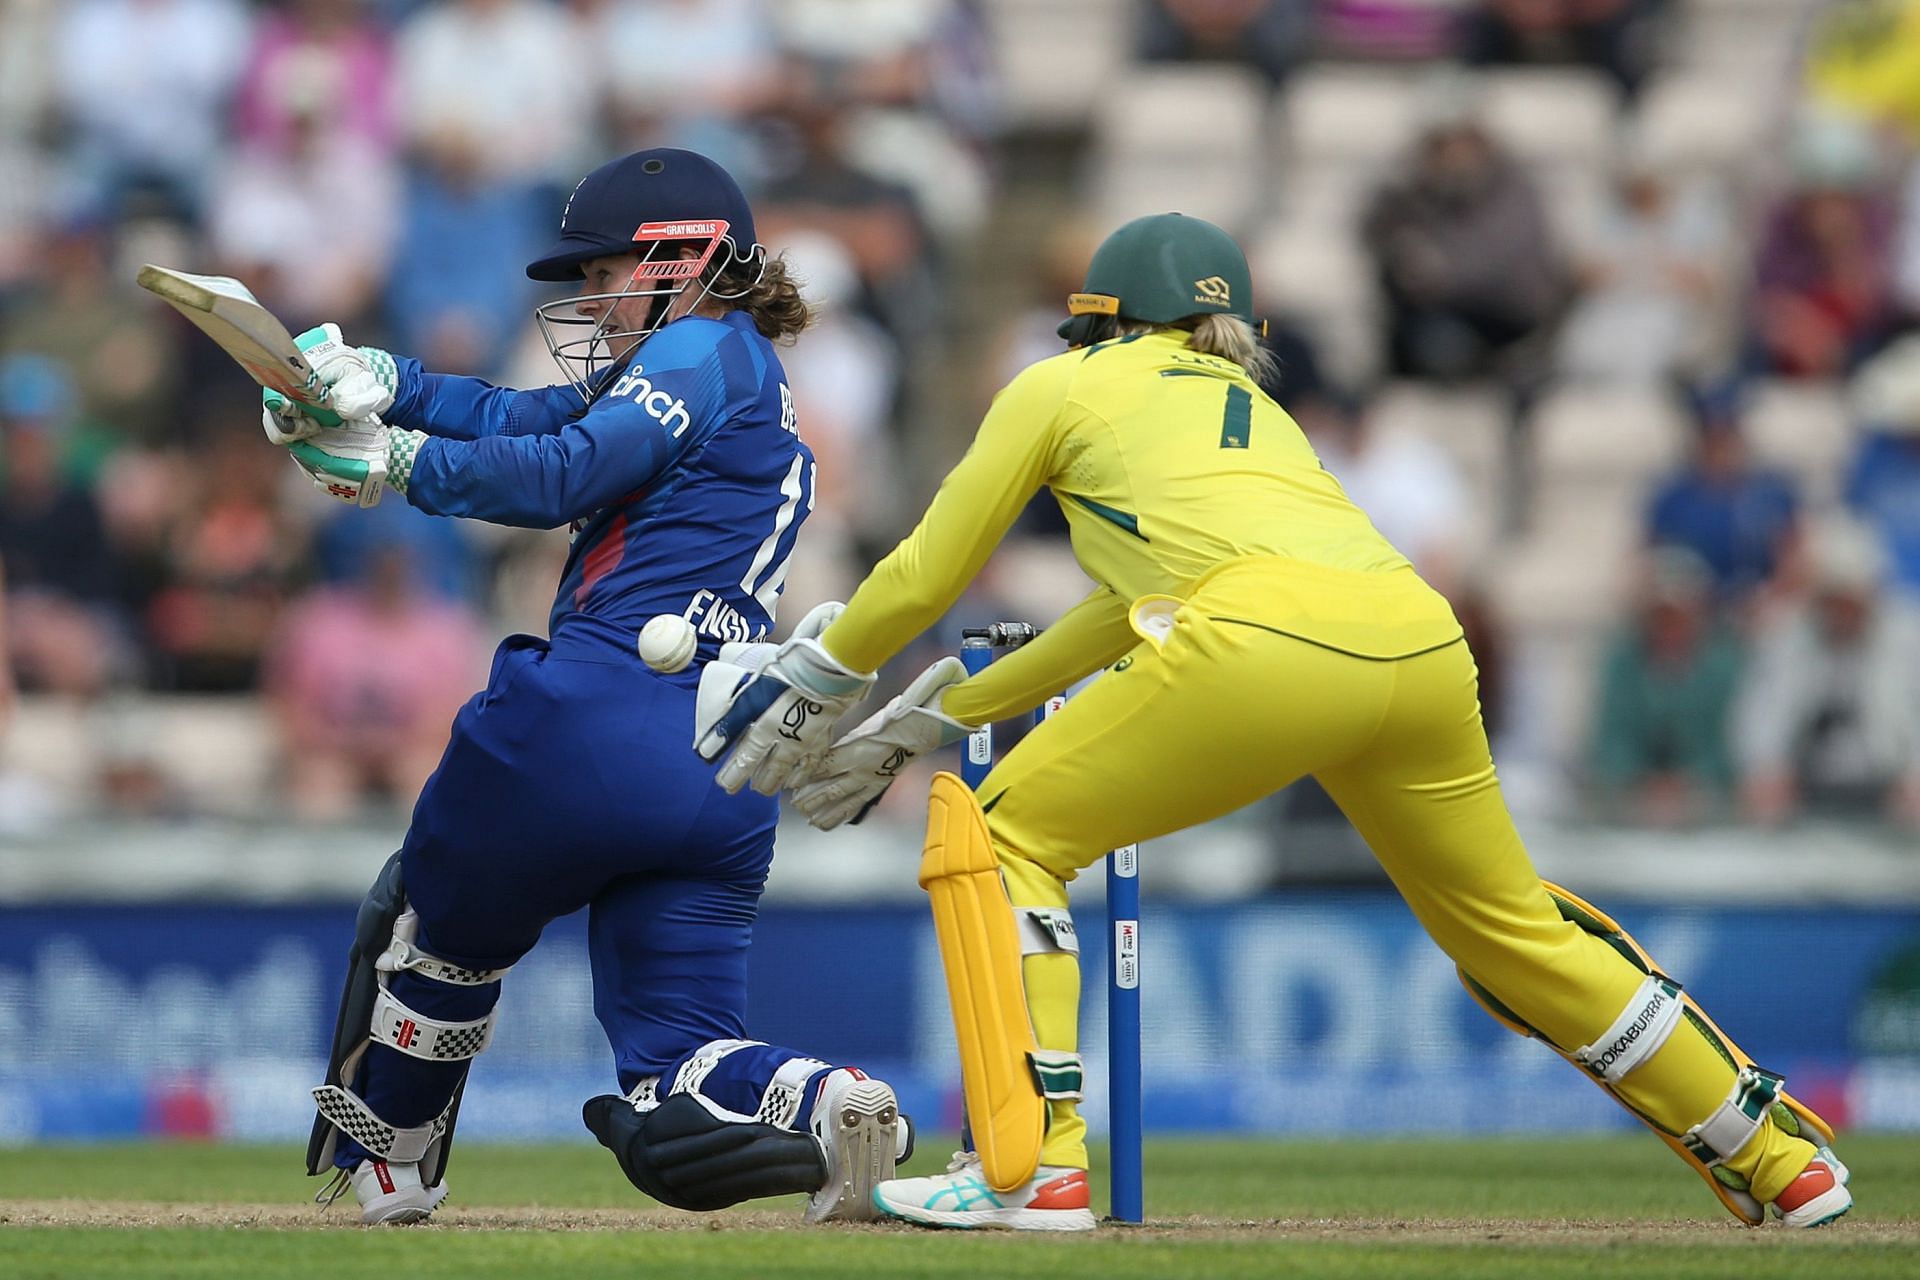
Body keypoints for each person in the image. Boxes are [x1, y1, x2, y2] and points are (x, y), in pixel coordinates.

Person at [696, 213, 1853, 1231]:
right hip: (1418, 646)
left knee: (1001, 837)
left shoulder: (1062, 385)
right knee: (1513, 931)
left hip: (1263, 645)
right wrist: (926, 719)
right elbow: (1115, 617)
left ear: (1101, 318)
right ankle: (1781, 1158)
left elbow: (921, 570)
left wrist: (822, 673)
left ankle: (1030, 1170)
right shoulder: (1253, 410)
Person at [267, 148, 908, 1226]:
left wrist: (395, 463)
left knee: (433, 916)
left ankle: (396, 1153)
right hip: (729, 760)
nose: (589, 298)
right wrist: (395, 383)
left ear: (684, 261)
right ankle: (825, 1095)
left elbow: (561, 469)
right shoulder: (746, 374)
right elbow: (535, 422)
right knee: (680, 1058)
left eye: (606, 270)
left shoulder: (704, 346)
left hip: (599, 712)